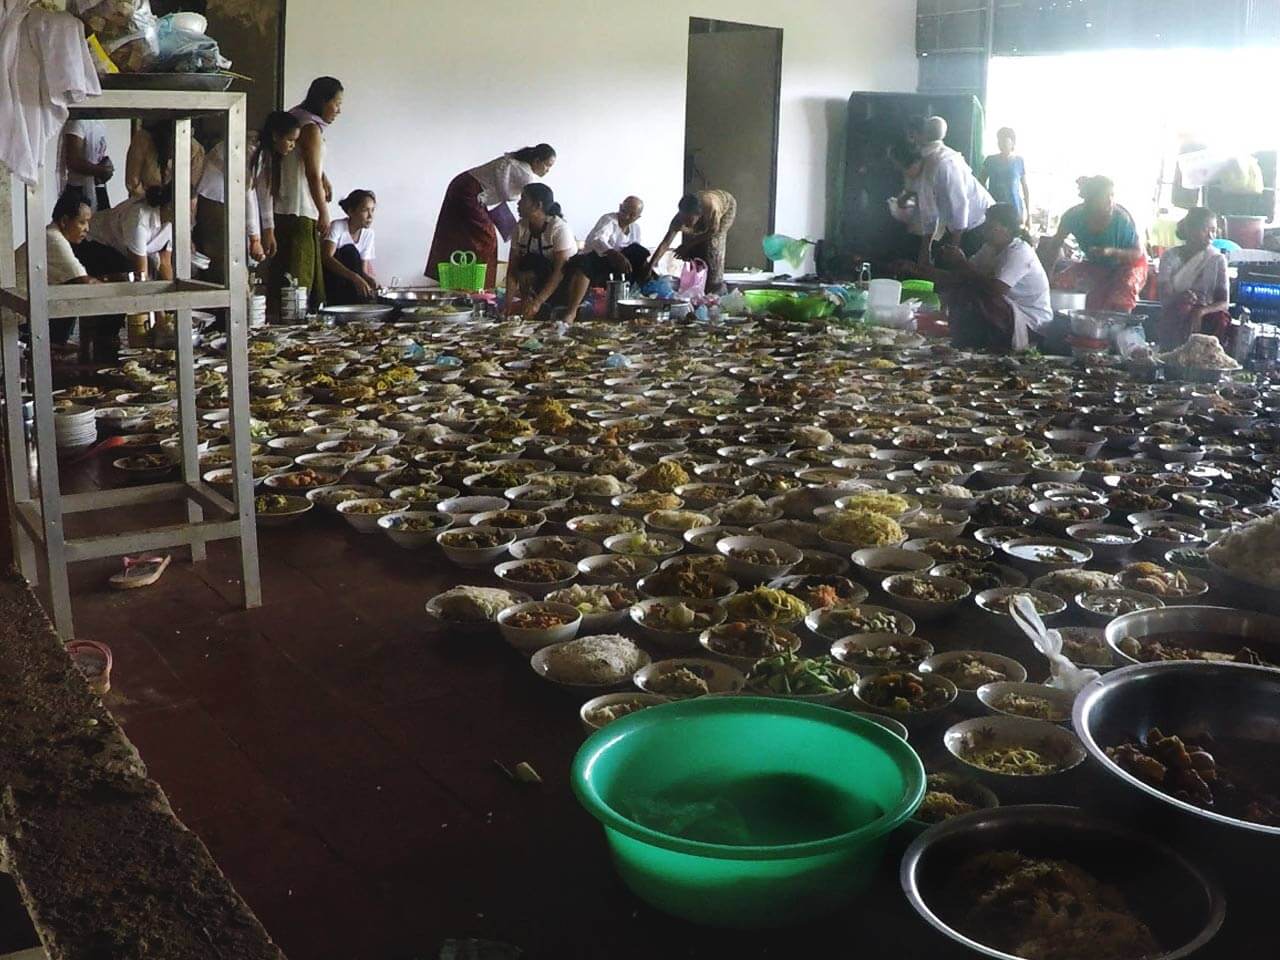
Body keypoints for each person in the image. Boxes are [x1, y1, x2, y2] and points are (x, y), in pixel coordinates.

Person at [900, 203, 1051, 352]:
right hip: (1008, 313)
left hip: (1029, 321)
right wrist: (916, 269)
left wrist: (961, 262)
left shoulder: (1020, 252)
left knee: (974, 292)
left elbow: (996, 289)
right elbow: (960, 276)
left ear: (1007, 229)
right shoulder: (989, 248)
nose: (985, 231)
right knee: (963, 285)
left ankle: (980, 344)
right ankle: (965, 343)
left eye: (991, 227)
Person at [425, 144, 556, 289]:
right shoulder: (525, 174)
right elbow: (530, 205)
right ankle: (480, 288)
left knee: (462, 235)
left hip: (463, 186)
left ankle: (461, 283)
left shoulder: (520, 167)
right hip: (468, 191)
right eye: (547, 165)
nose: (548, 170)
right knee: (486, 238)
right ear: (537, 161)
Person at [194, 111, 302, 283]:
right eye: (290, 140)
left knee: (237, 259)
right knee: (223, 260)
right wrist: (255, 239)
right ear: (275, 136)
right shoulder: (248, 148)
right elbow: (247, 193)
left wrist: (269, 230)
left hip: (229, 202)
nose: (292, 146)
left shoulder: (264, 153)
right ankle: (220, 307)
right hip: (214, 200)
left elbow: (265, 192)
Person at [78, 184, 175, 359]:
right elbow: (141, 277)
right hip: (97, 243)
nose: (191, 216)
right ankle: (103, 348)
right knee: (122, 283)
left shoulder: (173, 221)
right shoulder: (139, 218)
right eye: (189, 210)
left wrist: (176, 306)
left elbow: (165, 264)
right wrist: (162, 320)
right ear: (169, 207)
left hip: (122, 248)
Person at [1040, 175, 1148, 313]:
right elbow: (1054, 246)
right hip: (1098, 264)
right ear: (1090, 199)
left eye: (1112, 195)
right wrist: (1046, 277)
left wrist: (1111, 252)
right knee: (1059, 283)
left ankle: (1118, 328)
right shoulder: (1072, 217)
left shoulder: (1121, 219)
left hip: (1131, 264)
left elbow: (1137, 253)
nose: (1110, 201)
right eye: (1105, 196)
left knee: (1120, 297)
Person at [13, 191, 100, 345]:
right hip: (19, 319)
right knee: (73, 290)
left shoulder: (52, 234)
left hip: (25, 311)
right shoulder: (53, 238)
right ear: (65, 220)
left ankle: (59, 344)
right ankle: (56, 346)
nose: (87, 228)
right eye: (82, 222)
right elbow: (84, 282)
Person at [914, 116, 994, 264]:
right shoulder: (928, 161)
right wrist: (926, 247)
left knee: (960, 272)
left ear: (921, 135)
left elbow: (961, 204)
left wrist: (955, 246)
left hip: (979, 223)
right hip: (959, 226)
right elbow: (928, 210)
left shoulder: (946, 162)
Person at [561, 196, 648, 318]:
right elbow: (597, 240)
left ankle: (633, 306)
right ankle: (571, 311)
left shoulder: (636, 229)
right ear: (620, 207)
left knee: (639, 254)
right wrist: (615, 254)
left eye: (631, 215)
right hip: (598, 259)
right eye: (624, 211)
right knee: (585, 264)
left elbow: (635, 249)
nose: (626, 216)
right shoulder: (609, 219)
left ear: (637, 217)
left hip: (620, 266)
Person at [1156, 207, 1230, 351]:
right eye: (1205, 230)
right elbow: (1165, 296)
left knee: (1221, 318)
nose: (1210, 236)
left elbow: (1223, 302)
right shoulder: (1170, 257)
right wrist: (1181, 297)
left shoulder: (1217, 259)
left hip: (1208, 314)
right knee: (1183, 309)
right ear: (1190, 230)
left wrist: (1200, 311)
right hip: (1177, 312)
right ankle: (1174, 357)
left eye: (1213, 230)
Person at [504, 183, 576, 319]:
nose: (518, 204)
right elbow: (512, 269)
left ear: (538, 205)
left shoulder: (558, 228)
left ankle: (566, 310)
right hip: (540, 281)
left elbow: (559, 272)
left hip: (563, 283)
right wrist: (507, 304)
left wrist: (537, 303)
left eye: (523, 199)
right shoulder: (520, 228)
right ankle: (527, 304)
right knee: (527, 261)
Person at [647, 189, 737, 293]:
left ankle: (715, 288)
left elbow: (712, 231)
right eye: (684, 220)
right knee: (691, 248)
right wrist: (650, 266)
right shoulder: (679, 219)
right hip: (702, 211)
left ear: (699, 215)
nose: (686, 223)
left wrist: (687, 245)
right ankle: (696, 282)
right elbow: (665, 243)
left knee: (713, 246)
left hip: (726, 205)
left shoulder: (712, 208)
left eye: (689, 220)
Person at [124, 118, 206, 202]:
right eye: (172, 142)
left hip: (177, 205)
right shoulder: (143, 140)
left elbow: (192, 190)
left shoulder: (195, 149)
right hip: (144, 203)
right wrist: (150, 197)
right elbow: (132, 182)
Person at [321, 190, 378, 305]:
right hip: (333, 280)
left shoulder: (369, 234)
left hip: (351, 284)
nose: (370, 216)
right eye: (365, 210)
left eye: (372, 210)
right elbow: (326, 257)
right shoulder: (338, 226)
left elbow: (362, 270)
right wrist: (355, 278)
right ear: (351, 211)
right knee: (350, 251)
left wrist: (369, 280)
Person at [58, 119, 113, 213]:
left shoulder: (100, 123)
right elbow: (73, 161)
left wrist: (106, 166)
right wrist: (101, 171)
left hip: (98, 187)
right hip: (79, 189)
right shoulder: (77, 123)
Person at [979, 127, 1029, 227]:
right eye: (999, 141)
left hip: (1014, 208)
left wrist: (1028, 214)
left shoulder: (1019, 161)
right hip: (994, 206)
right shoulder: (990, 160)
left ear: (1012, 143)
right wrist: (987, 199)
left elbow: (1025, 188)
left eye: (1005, 142)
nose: (1001, 144)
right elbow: (980, 183)